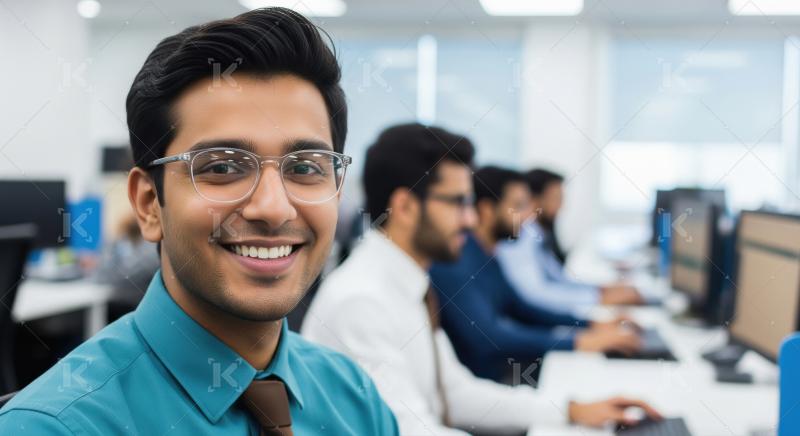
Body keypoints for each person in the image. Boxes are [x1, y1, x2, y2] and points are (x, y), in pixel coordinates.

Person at [0, 8, 398, 435]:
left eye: (304, 167)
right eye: (223, 167)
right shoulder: (55, 427)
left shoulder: (356, 399)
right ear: (150, 203)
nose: (274, 208)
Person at [303, 124, 660, 435]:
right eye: (458, 203)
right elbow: (411, 431)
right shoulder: (363, 301)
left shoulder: (407, 284)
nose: (472, 220)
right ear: (407, 207)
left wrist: (571, 411)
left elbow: (455, 393)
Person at [430, 166, 642, 382]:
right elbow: (489, 336)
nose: (528, 216)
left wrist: (591, 325)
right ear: (486, 210)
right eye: (518, 206)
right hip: (492, 382)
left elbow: (522, 308)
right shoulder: (456, 260)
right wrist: (579, 341)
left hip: (506, 371)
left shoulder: (486, 254)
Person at [495, 168, 643, 314]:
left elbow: (558, 279)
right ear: (535, 200)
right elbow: (535, 293)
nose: (562, 206)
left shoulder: (536, 234)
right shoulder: (518, 236)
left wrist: (601, 290)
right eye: (556, 199)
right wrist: (598, 297)